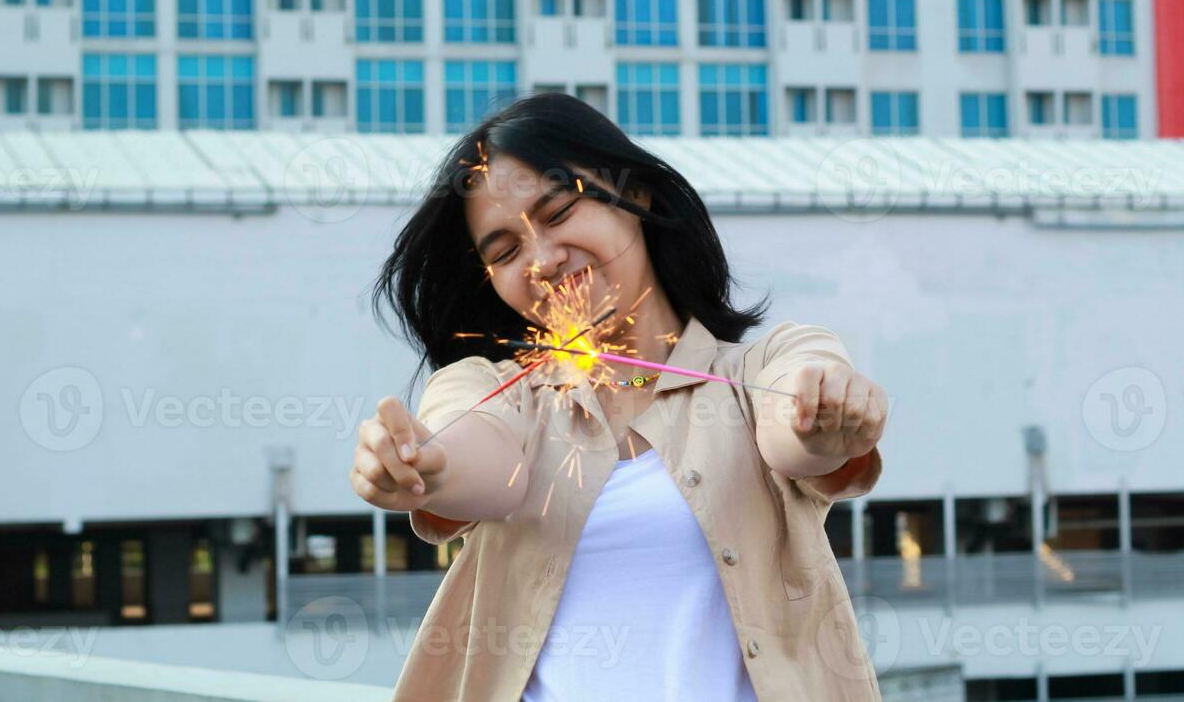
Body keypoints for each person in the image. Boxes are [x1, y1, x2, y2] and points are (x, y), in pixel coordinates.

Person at [353, 92, 889, 701]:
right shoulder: (491, 390)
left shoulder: (760, 368)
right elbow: (481, 458)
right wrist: (427, 463)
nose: (543, 260)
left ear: (634, 194)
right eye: (505, 251)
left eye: (557, 213)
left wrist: (819, 417)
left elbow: (793, 427)